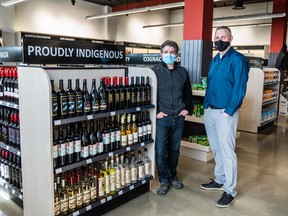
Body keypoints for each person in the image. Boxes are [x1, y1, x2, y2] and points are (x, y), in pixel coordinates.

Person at [201, 26, 250, 207]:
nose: (219, 39)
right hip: (210, 110)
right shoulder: (215, 60)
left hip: (225, 112)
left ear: (231, 39)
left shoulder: (238, 59)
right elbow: (211, 85)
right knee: (216, 148)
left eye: (223, 37)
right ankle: (220, 179)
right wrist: (206, 106)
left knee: (228, 151)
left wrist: (229, 110)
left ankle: (230, 190)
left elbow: (240, 88)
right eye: (217, 37)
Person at [152, 40, 192, 195]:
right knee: (161, 151)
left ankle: (173, 176)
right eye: (166, 52)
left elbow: (188, 93)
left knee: (174, 150)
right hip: (162, 118)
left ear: (176, 54)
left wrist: (186, 108)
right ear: (161, 54)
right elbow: (150, 94)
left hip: (178, 118)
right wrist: (156, 111)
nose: (169, 55)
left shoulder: (183, 72)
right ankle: (163, 180)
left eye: (172, 52)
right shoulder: (155, 72)